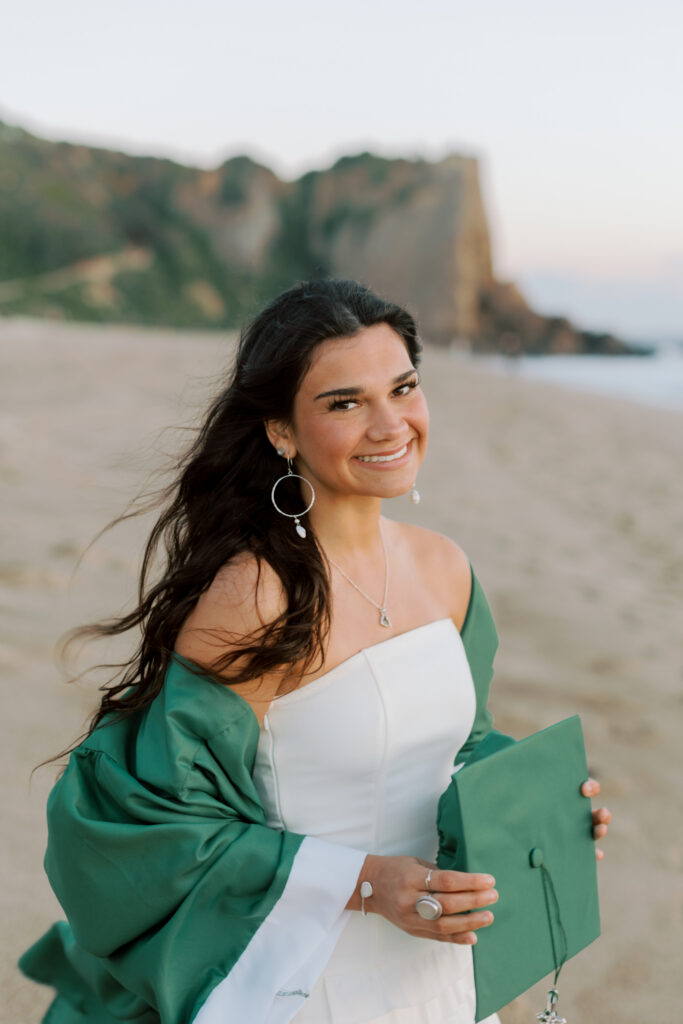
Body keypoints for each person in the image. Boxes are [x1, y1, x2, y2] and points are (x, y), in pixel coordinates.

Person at [19, 278, 611, 1024]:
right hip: (311, 980)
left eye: (402, 388)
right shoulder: (255, 600)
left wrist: (541, 813)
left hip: (443, 977)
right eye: (344, 402)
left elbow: (462, 745)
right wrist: (364, 884)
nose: (389, 424)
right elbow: (147, 819)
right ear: (280, 431)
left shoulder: (445, 568)